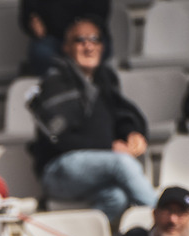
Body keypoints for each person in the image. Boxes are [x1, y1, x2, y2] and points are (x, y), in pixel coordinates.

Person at [28, 15, 156, 225]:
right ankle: (164, 215)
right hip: (58, 171)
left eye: (95, 39)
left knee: (116, 197)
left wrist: (132, 133)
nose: (89, 46)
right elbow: (58, 137)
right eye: (80, 40)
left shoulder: (105, 79)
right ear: (66, 47)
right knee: (122, 163)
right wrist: (109, 146)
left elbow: (122, 112)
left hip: (95, 170)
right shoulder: (54, 82)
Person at [19, 0, 111, 77]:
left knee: (93, 49)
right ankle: (55, 87)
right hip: (52, 36)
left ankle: (86, 86)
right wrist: (31, 22)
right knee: (41, 53)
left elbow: (100, 14)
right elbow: (27, 14)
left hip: (85, 32)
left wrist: (78, 31)